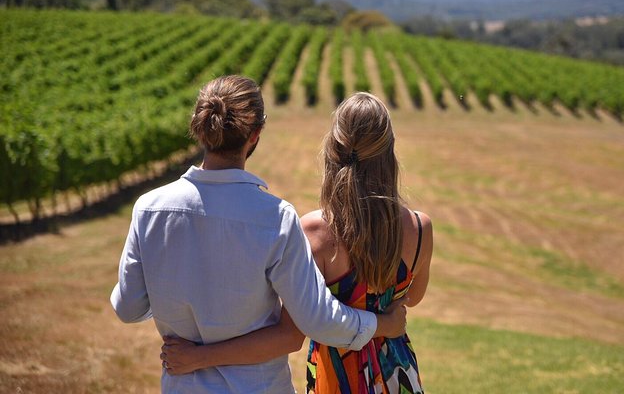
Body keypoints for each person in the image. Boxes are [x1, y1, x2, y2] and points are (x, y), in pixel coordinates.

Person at [110, 77, 408, 393]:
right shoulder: (275, 219)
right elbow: (317, 319)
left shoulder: (149, 209)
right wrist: (382, 325)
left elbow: (127, 308)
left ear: (200, 128)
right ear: (255, 135)